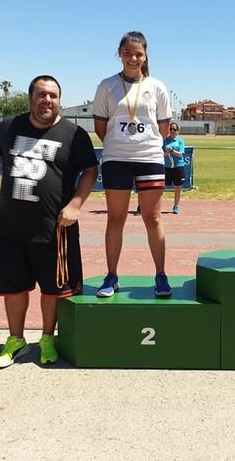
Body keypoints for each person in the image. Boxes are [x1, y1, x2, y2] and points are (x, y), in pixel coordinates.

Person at [0, 75, 98, 369]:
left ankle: (48, 338)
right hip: (10, 225)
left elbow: (90, 170)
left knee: (53, 289)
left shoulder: (74, 133)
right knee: (14, 288)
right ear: (30, 98)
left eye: (52, 95)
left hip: (54, 228)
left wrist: (76, 204)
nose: (47, 100)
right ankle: (16, 340)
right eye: (41, 94)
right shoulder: (9, 126)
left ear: (59, 100)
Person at [92, 31, 173, 298]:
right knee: (116, 218)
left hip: (149, 158)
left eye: (138, 54)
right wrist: (121, 145)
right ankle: (111, 275)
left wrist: (145, 145)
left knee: (153, 217)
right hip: (116, 159)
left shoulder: (157, 87)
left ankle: (160, 275)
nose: (133, 58)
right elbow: (101, 127)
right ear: (120, 54)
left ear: (145, 56)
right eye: (127, 53)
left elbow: (162, 128)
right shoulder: (107, 86)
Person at [163, 121, 186, 214]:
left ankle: (176, 206)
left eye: (174, 129)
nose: (172, 131)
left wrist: (172, 151)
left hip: (178, 166)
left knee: (178, 187)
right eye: (171, 129)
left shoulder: (180, 141)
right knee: (161, 187)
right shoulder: (165, 141)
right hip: (167, 167)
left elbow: (181, 155)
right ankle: (156, 205)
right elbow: (162, 155)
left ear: (177, 131)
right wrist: (167, 152)